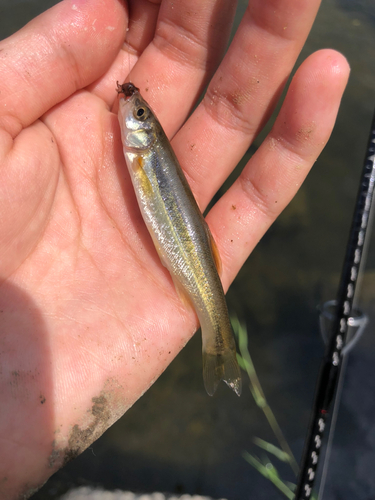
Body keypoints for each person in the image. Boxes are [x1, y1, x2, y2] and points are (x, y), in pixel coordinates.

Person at [0, 0, 349, 498]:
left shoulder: (142, 148)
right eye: (138, 111)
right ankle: (218, 343)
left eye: (137, 113)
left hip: (185, 256)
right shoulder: (138, 144)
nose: (131, 112)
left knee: (205, 285)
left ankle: (217, 338)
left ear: (142, 127)